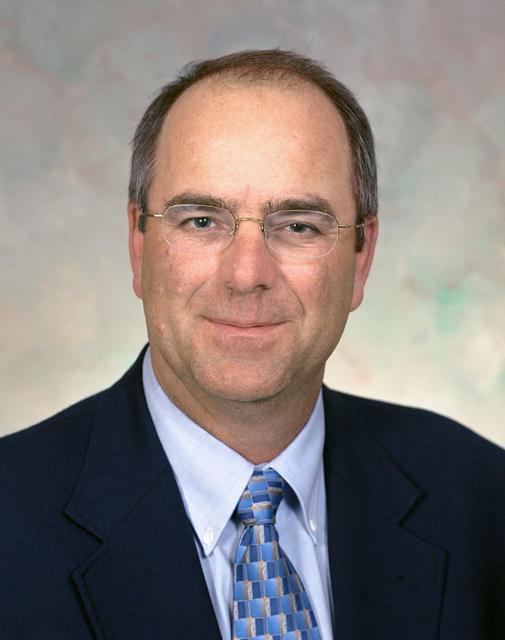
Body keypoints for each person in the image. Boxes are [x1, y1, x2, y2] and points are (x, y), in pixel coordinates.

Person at [0, 49, 504, 640]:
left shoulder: (482, 499)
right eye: (201, 221)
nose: (246, 275)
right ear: (139, 245)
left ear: (361, 257)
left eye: (298, 226)